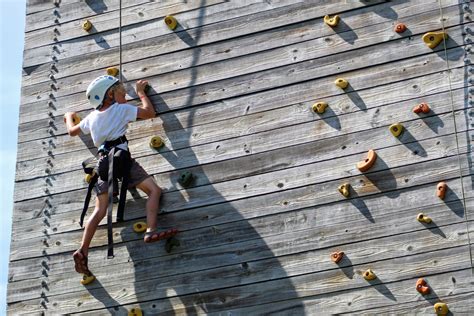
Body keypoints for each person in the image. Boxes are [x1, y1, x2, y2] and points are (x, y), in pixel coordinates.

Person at [64, 75, 177, 276]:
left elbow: (73, 131)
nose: (125, 95)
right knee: (154, 191)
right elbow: (150, 113)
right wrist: (141, 93)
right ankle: (150, 230)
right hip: (123, 161)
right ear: (110, 95)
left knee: (99, 210)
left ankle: (83, 249)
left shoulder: (91, 118)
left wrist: (68, 117)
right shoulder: (121, 109)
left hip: (102, 164)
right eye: (121, 92)